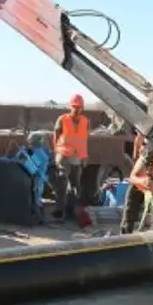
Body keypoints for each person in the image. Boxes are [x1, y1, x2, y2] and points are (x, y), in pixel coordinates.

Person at [51, 93, 92, 227]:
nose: (76, 109)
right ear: (70, 107)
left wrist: (84, 156)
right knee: (62, 184)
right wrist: (57, 152)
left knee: (76, 186)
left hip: (77, 158)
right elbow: (56, 136)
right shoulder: (62, 119)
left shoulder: (85, 121)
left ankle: (72, 211)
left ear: (82, 108)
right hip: (64, 156)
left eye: (79, 107)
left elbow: (84, 139)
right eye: (74, 107)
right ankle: (59, 213)